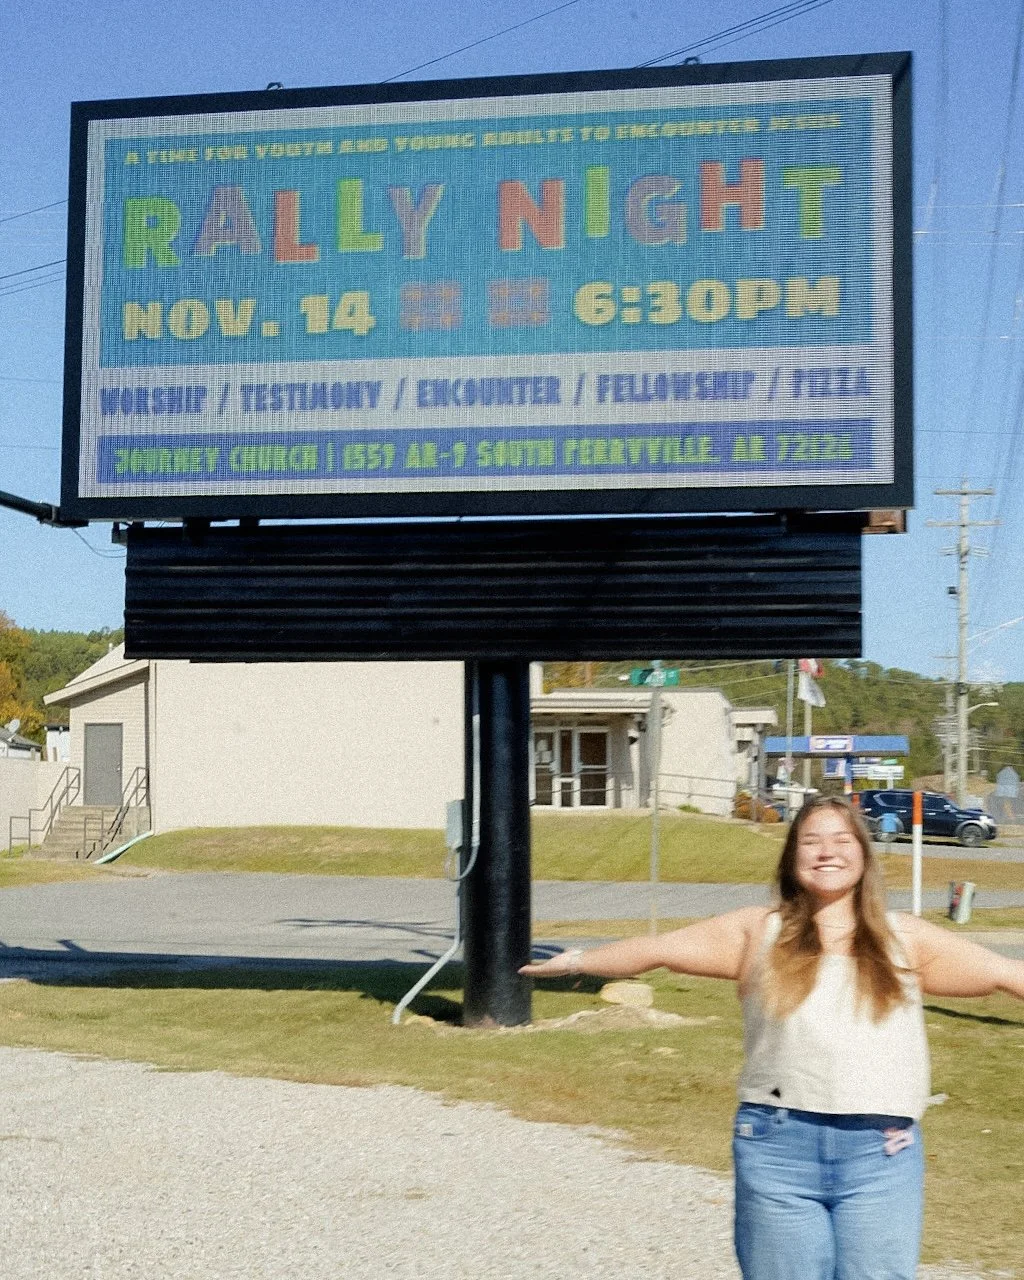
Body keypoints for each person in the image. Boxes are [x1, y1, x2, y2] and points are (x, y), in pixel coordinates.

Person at [519, 795, 1024, 1280]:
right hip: (778, 1147)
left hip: (881, 1154)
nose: (828, 851)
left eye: (843, 840)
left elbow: (1006, 975)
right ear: (791, 858)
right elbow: (659, 949)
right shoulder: (757, 933)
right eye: (811, 841)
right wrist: (578, 961)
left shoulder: (906, 939)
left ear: (865, 857)